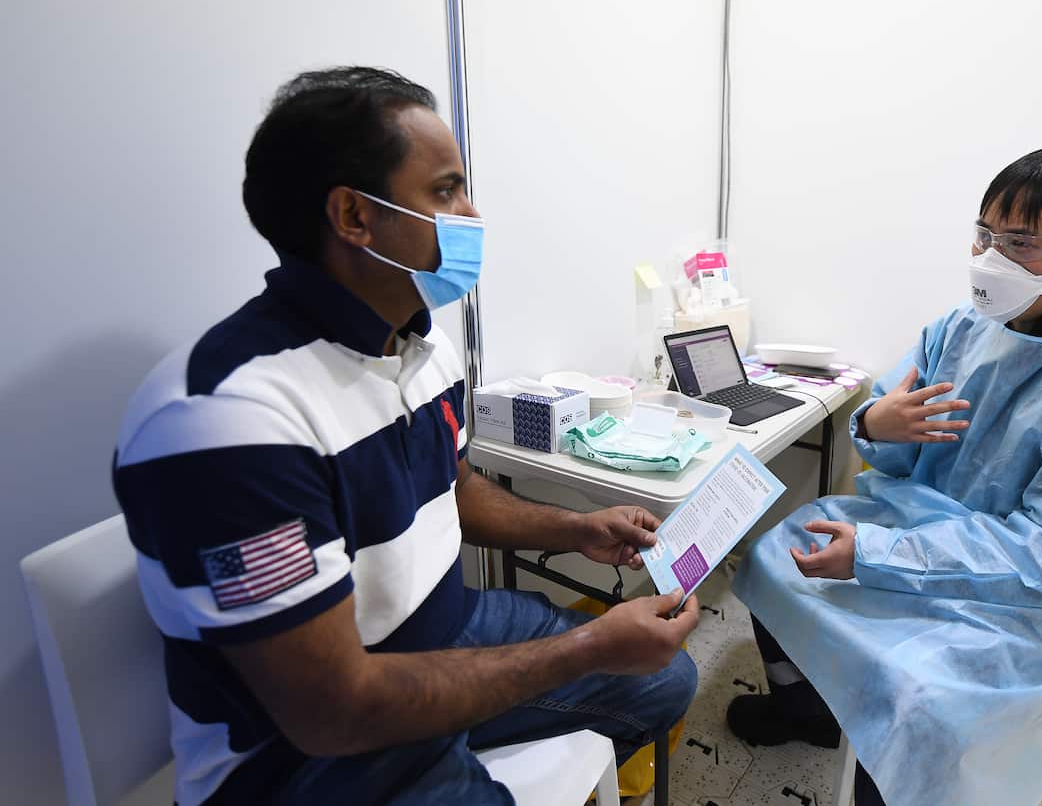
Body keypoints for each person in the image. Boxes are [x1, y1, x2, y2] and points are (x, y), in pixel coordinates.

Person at [112, 66, 698, 806]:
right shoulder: (229, 420)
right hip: (310, 759)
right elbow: (334, 709)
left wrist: (576, 527)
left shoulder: (419, 347)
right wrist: (585, 645)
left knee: (664, 674)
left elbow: (451, 490)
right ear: (354, 216)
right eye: (446, 190)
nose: (472, 214)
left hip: (443, 625)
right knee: (605, 661)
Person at [728, 145, 1042, 806]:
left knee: (922, 703)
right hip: (929, 531)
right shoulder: (963, 326)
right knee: (777, 549)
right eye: (984, 234)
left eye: (1021, 242)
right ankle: (802, 710)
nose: (991, 259)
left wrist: (874, 553)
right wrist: (876, 426)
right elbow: (898, 452)